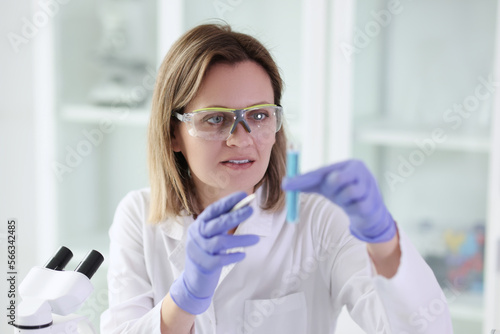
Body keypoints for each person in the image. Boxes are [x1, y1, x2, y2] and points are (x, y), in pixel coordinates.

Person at [100, 23, 453, 334]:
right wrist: (185, 298)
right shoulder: (139, 215)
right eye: (215, 119)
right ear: (173, 134)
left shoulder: (318, 219)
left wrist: (384, 239)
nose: (241, 138)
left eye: (258, 115)